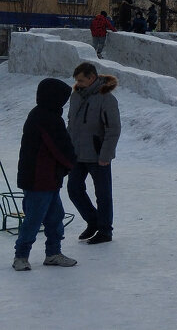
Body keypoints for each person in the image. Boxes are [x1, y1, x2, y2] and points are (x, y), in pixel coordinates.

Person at [13, 78, 78, 271]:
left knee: (55, 218)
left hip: (49, 178)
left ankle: (53, 253)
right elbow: (60, 147)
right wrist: (71, 163)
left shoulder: (46, 115)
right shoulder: (45, 118)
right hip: (38, 179)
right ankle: (21, 256)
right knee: (33, 219)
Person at [67, 62, 121, 244]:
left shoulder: (106, 99)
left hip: (98, 155)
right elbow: (71, 124)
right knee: (73, 189)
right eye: (77, 80)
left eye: (81, 80)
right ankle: (93, 221)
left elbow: (113, 129)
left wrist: (105, 155)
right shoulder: (75, 96)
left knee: (103, 194)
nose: (78, 83)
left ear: (92, 78)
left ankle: (105, 230)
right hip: (77, 153)